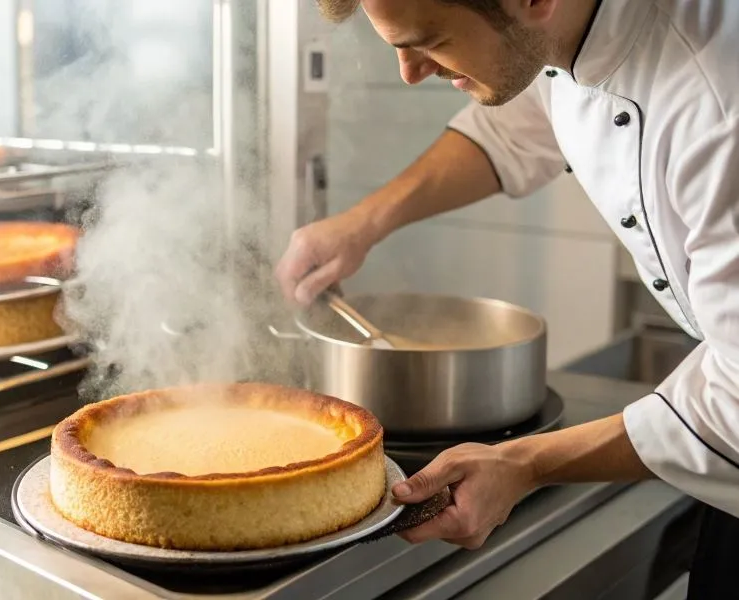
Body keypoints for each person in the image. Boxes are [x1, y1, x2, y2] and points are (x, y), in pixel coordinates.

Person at [274, 0, 739, 595]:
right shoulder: (563, 30)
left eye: (429, 41)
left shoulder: (719, 104)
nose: (409, 73)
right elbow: (521, 124)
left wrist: (526, 463)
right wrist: (362, 224)